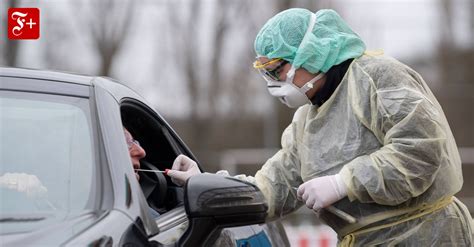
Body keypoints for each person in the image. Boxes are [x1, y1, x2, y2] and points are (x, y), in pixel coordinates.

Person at [167, 8, 474, 246]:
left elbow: (420, 151)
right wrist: (206, 185)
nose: (271, 83)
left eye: (277, 70)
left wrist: (344, 183)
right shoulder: (306, 121)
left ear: (311, 53)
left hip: (427, 235)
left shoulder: (377, 78)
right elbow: (274, 188)